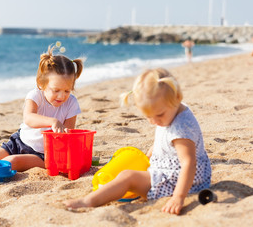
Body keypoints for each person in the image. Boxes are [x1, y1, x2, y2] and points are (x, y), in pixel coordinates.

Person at [64, 68, 211, 215]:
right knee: (128, 170)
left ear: (177, 97)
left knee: (128, 177)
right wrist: (149, 155)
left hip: (180, 182)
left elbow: (189, 163)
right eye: (149, 116)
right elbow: (164, 139)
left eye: (159, 115)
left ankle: (88, 201)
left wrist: (178, 197)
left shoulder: (181, 130)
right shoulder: (171, 108)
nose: (154, 121)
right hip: (171, 171)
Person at [0, 44, 83, 186]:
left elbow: (68, 137)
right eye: (56, 90)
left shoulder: (71, 103)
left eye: (67, 91)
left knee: (10, 162)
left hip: (43, 154)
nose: (61, 96)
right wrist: (53, 121)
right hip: (19, 142)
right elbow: (29, 118)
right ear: (42, 84)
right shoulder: (35, 96)